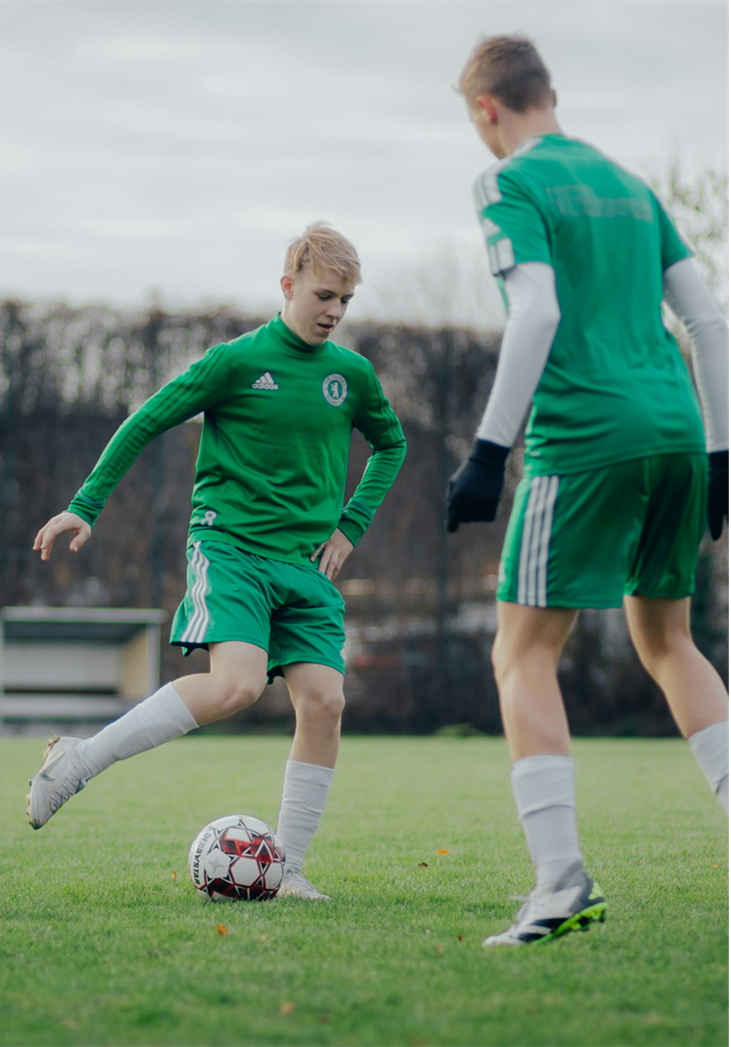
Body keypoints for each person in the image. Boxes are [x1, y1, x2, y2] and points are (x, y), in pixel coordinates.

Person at [27, 222, 407, 901]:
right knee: (235, 683)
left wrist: (350, 524)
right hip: (230, 548)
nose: (334, 311)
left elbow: (391, 445)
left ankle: (285, 869)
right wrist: (85, 505)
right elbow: (146, 418)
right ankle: (76, 762)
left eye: (345, 300)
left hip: (307, 566)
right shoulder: (235, 361)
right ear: (287, 285)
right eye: (323, 294)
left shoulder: (351, 375)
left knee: (324, 700)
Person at [447, 36, 729, 946]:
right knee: (667, 636)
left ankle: (561, 882)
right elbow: (706, 319)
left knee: (521, 651)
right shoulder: (630, 184)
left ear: (486, 109)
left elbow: (535, 308)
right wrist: (723, 452)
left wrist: (489, 451)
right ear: (548, 93)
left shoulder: (508, 182)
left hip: (585, 438)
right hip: (678, 429)